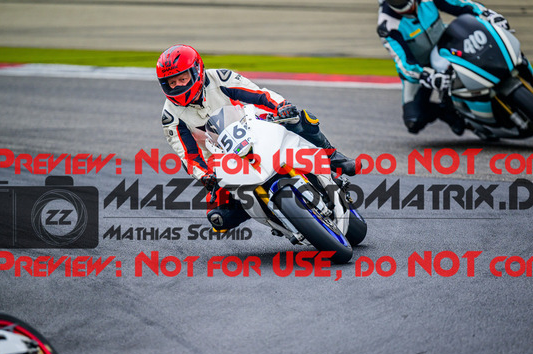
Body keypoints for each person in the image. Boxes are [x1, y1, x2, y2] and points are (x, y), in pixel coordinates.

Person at [156, 44, 358, 231]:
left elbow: (258, 94)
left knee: (299, 118)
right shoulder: (170, 116)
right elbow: (188, 156)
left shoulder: (219, 78)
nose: (178, 86)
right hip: (219, 157)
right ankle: (273, 215)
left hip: (251, 127)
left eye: (182, 79)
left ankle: (333, 157)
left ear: (196, 72)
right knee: (219, 219)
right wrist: (205, 176)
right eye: (171, 83)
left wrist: (282, 106)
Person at [376, 0, 509, 136]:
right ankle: (451, 114)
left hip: (446, 47)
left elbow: (460, 4)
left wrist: (487, 14)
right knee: (413, 120)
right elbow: (404, 63)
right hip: (420, 68)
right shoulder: (386, 26)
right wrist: (425, 75)